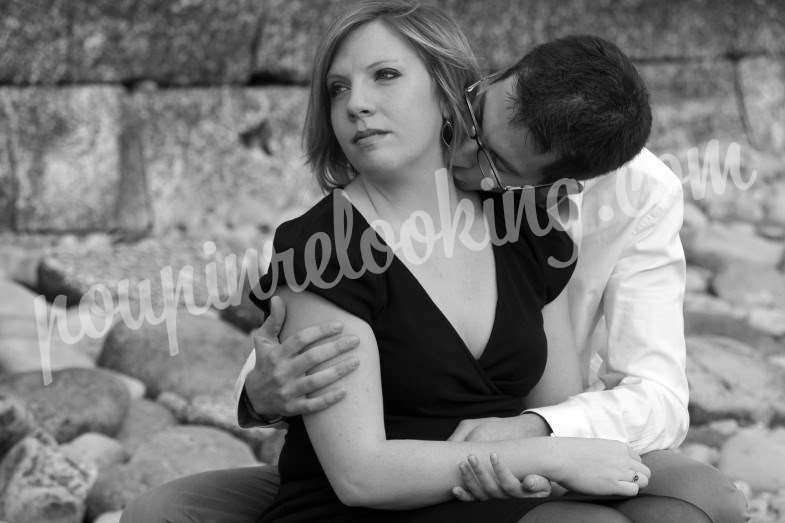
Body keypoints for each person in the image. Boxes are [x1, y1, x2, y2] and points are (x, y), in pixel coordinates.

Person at [121, 4, 748, 523]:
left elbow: (650, 396)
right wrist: (258, 394)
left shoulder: (556, 217)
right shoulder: (331, 241)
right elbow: (330, 399)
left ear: (552, 183)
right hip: (381, 480)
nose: (467, 149)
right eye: (477, 113)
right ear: (469, 91)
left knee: (701, 503)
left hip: (517, 453)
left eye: (496, 160)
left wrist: (536, 441)